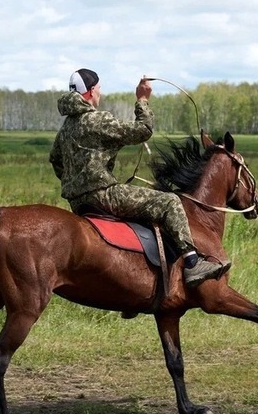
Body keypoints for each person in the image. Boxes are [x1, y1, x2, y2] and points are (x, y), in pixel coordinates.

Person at [49, 68, 229, 288]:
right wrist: (142, 100)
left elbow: (55, 160)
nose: (100, 94)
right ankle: (193, 263)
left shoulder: (65, 128)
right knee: (169, 202)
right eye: (99, 89)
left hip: (77, 203)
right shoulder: (96, 120)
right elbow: (143, 130)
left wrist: (76, 182)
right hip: (104, 196)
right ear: (90, 91)